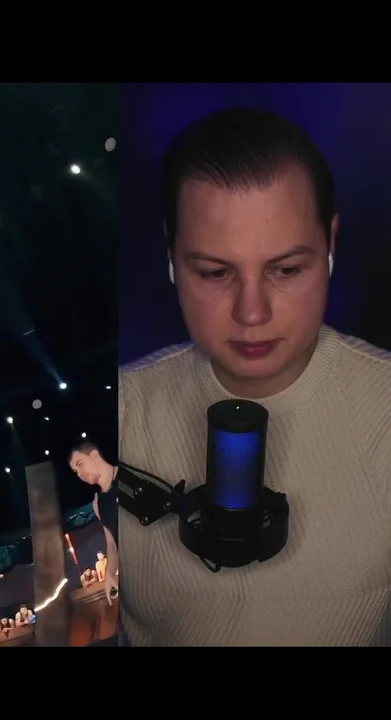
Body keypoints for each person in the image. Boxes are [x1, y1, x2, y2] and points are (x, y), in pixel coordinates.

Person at [118, 108, 391, 645]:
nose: (251, 313)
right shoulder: (123, 413)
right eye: (215, 272)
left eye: (285, 269)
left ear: (331, 247)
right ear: (172, 257)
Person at [68, 440, 118, 603]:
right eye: (75, 471)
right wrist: (109, 573)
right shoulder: (98, 503)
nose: (79, 474)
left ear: (95, 455)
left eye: (80, 464)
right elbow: (112, 543)